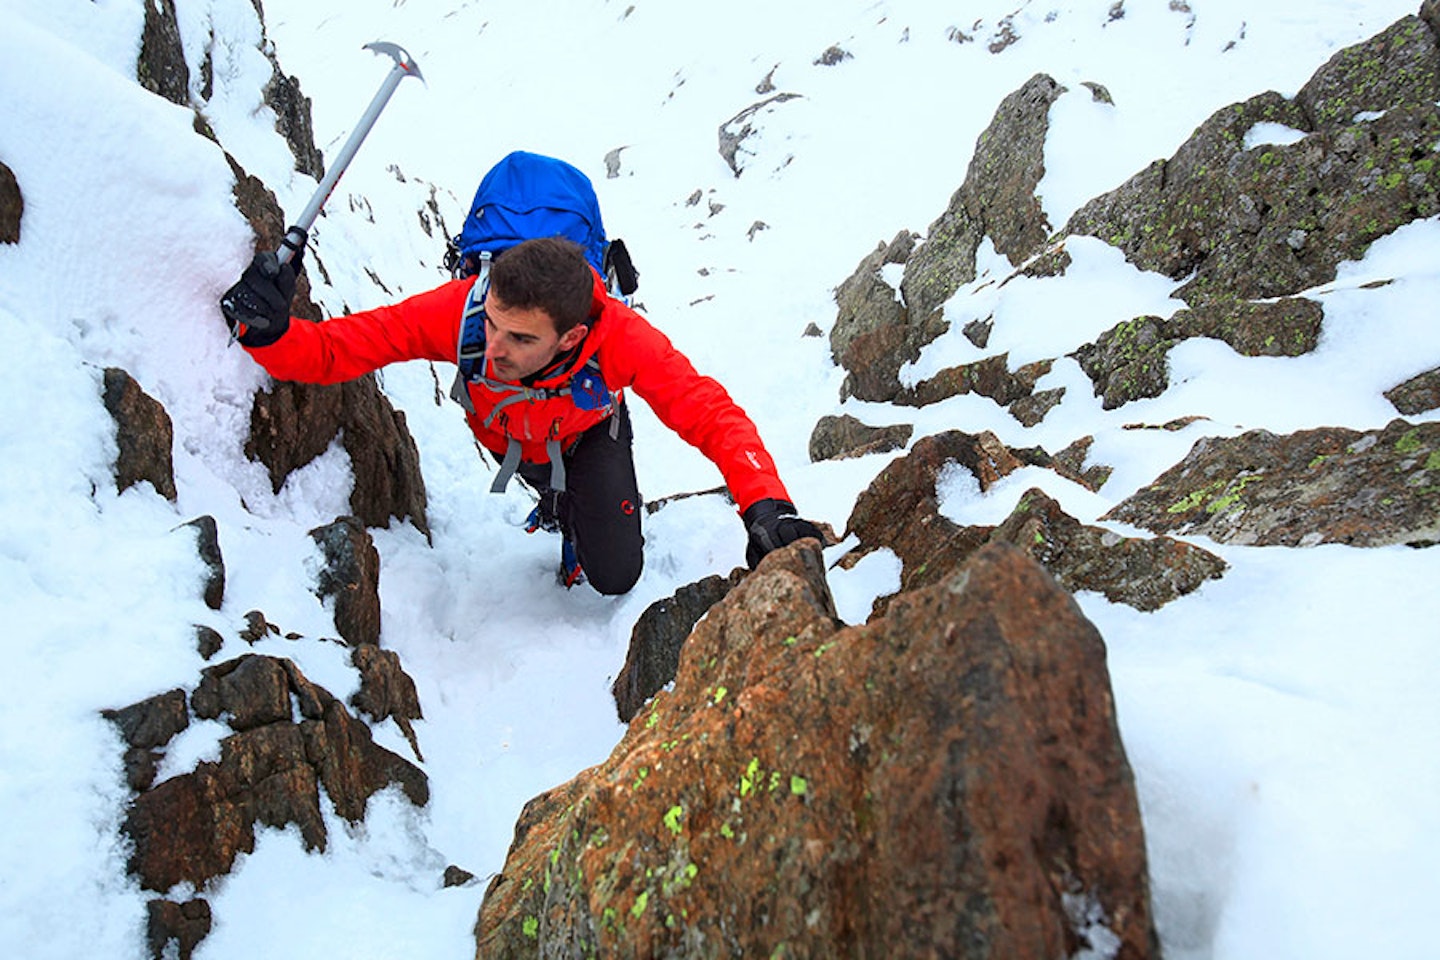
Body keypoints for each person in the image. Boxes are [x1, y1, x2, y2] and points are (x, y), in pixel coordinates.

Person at [219, 232, 823, 595]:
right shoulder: (462, 313)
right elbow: (338, 349)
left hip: (588, 431)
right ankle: (558, 501)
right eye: (494, 325)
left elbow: (709, 412)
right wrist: (266, 332)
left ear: (571, 337)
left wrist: (765, 505)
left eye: (520, 339)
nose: (495, 348)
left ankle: (579, 502)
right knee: (559, 497)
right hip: (510, 434)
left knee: (616, 577)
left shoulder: (620, 339)